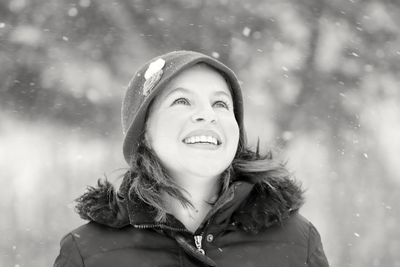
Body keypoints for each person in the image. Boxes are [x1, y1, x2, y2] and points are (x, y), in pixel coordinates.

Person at [53, 50, 329, 267]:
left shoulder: (296, 242)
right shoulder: (88, 253)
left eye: (220, 104)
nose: (207, 114)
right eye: (182, 101)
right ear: (144, 134)